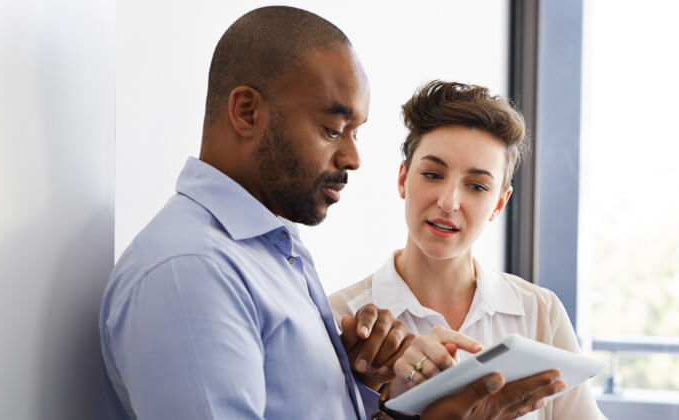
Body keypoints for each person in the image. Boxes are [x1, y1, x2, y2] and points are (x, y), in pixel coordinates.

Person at [99, 7, 559, 420]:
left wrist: (364, 385)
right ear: (246, 111)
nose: (353, 158)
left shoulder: (275, 253)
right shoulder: (191, 272)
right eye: (333, 129)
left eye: (356, 132)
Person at [329, 81, 608, 419]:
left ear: (499, 204)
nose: (448, 202)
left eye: (476, 186)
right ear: (403, 179)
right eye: (432, 174)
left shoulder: (538, 312)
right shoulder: (342, 318)